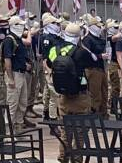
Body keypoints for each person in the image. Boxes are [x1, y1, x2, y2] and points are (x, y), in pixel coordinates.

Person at [49, 22, 96, 163]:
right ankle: (77, 158)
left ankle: (63, 157)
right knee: (80, 130)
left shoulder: (55, 49)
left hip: (62, 95)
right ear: (78, 36)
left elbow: (49, 62)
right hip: (80, 96)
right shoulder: (80, 51)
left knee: (65, 130)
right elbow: (92, 60)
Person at [3, 16, 32, 133]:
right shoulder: (9, 40)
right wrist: (10, 78)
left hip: (22, 73)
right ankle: (9, 132)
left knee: (22, 103)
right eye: (20, 25)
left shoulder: (18, 39)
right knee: (12, 105)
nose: (22, 27)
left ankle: (18, 129)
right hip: (14, 74)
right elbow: (7, 60)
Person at [82, 17, 108, 118]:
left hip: (101, 68)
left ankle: (103, 114)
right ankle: (95, 115)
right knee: (95, 94)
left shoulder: (100, 39)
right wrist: (100, 56)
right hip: (92, 69)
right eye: (98, 26)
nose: (100, 27)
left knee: (104, 93)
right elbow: (86, 55)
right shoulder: (87, 39)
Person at [40, 15, 64, 119]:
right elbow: (45, 57)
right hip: (50, 68)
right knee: (54, 95)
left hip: (57, 67)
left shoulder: (57, 37)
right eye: (55, 24)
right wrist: (48, 70)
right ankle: (53, 119)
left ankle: (46, 113)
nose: (58, 26)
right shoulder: (47, 38)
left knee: (50, 93)